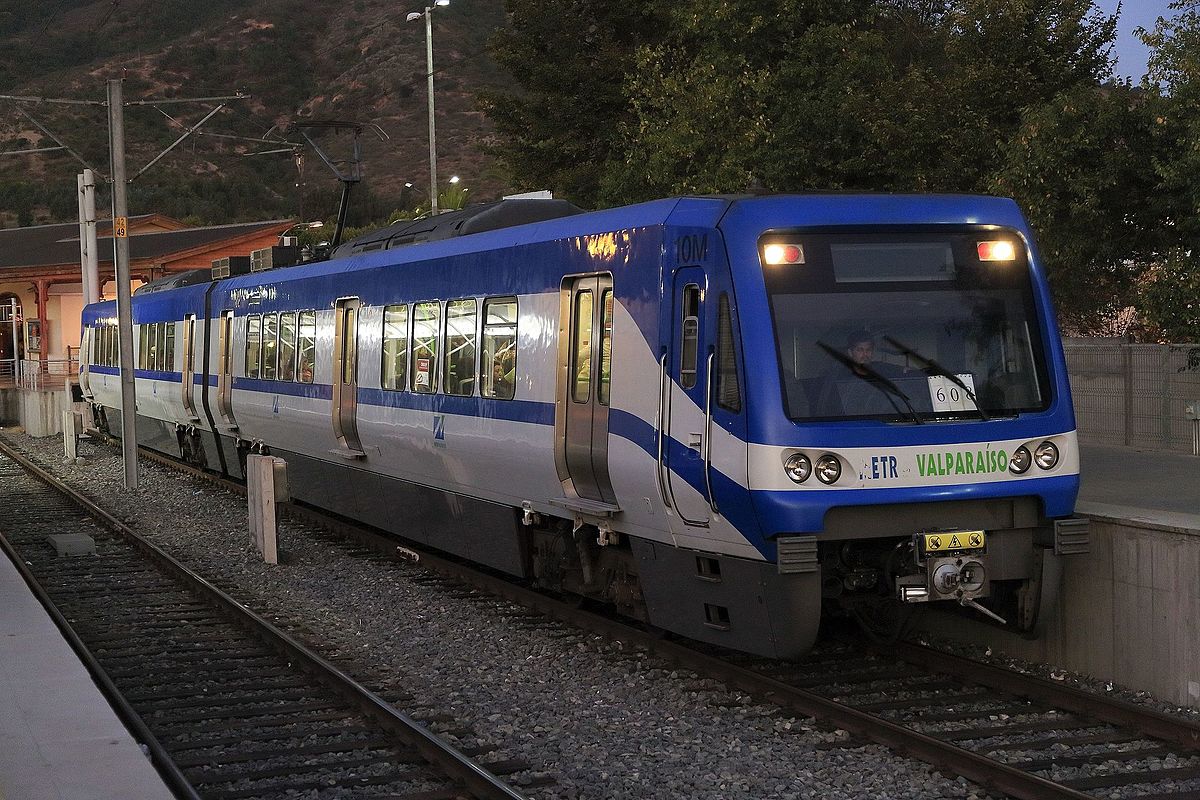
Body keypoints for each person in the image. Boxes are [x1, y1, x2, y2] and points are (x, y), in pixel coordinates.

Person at [815, 330, 906, 416]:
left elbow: (908, 371)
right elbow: (828, 406)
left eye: (868, 350)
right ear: (850, 352)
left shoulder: (882, 369)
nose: (865, 355)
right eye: (860, 350)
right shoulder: (837, 376)